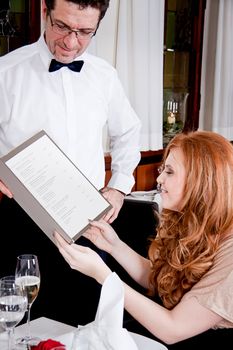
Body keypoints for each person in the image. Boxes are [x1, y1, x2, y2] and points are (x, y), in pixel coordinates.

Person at [0, 0, 141, 325]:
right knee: (21, 322)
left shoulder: (104, 75)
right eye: (62, 26)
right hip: (22, 221)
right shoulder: (7, 72)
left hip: (87, 224)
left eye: (85, 32)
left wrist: (118, 187)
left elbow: (129, 132)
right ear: (45, 11)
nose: (71, 41)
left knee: (87, 321)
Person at [54, 130, 233, 347]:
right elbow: (163, 280)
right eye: (161, 170)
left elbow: (174, 329)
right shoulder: (188, 221)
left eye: (169, 172)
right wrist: (114, 246)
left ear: (201, 181)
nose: (159, 179)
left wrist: (104, 276)